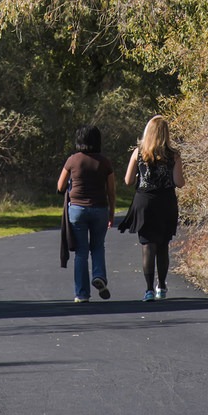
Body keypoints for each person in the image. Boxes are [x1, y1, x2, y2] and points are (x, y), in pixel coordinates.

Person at [118, 114, 183, 301]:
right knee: (162, 246)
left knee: (147, 245)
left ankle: (148, 290)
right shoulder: (173, 155)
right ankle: (161, 286)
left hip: (144, 202)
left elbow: (128, 180)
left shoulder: (138, 153)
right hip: (166, 203)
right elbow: (179, 183)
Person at [57, 124, 116, 303]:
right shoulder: (105, 162)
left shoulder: (72, 160)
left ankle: (81, 294)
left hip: (77, 210)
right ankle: (98, 276)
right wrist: (112, 213)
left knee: (81, 252)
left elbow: (60, 186)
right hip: (99, 209)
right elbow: (111, 191)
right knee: (98, 246)